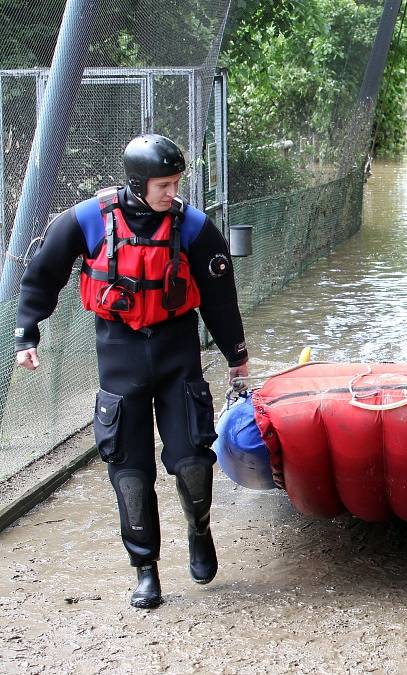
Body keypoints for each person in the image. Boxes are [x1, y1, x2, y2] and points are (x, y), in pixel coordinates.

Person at [14, 134, 249, 609]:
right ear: (138, 183)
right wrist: (27, 332)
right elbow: (43, 274)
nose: (173, 192)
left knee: (192, 460)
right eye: (164, 184)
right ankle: (146, 569)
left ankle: (199, 531)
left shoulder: (194, 227)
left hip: (176, 349)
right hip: (119, 354)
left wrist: (237, 358)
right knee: (130, 470)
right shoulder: (87, 220)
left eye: (177, 182)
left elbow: (221, 300)